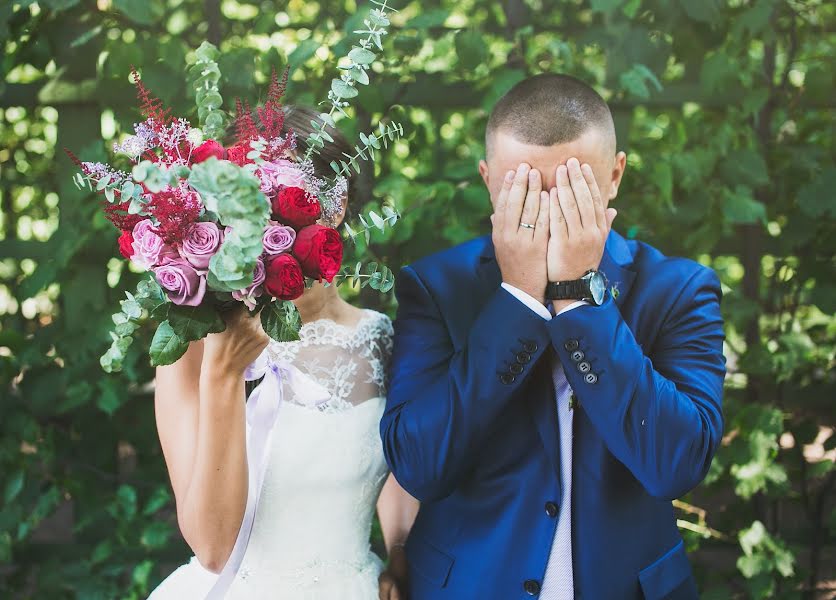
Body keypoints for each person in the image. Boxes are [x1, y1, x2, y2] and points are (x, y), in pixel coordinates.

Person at [381, 74, 726, 599]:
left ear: (614, 176)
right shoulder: (436, 288)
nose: (547, 210)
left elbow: (675, 466)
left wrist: (580, 299)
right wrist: (517, 299)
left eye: (572, 190)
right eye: (522, 190)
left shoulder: (678, 290)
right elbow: (419, 467)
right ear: (488, 181)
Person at [148, 106, 418, 600]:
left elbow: (406, 467)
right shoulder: (192, 345)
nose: (255, 223)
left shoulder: (387, 341)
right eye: (240, 204)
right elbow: (212, 548)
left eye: (271, 200)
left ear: (332, 207)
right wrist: (223, 375)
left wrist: (400, 556)